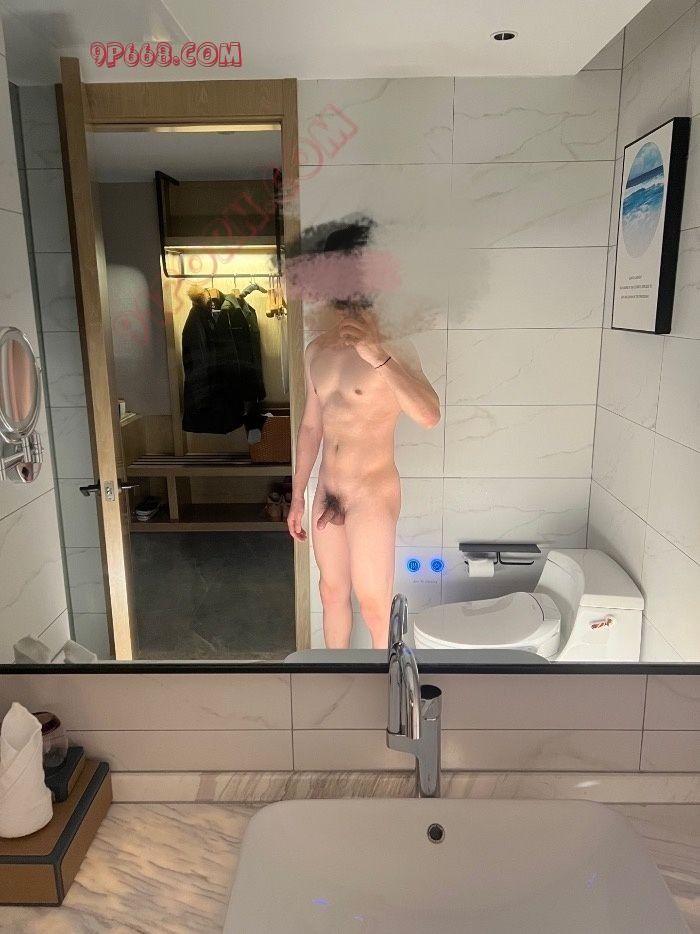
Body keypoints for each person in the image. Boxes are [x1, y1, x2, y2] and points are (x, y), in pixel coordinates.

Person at [287, 302, 441, 649]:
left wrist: (378, 357)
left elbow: (429, 416)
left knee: (374, 606)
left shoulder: (395, 345)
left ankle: (385, 677)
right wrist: (298, 495)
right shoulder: (317, 348)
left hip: (371, 492)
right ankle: (337, 675)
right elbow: (311, 427)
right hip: (327, 489)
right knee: (330, 592)